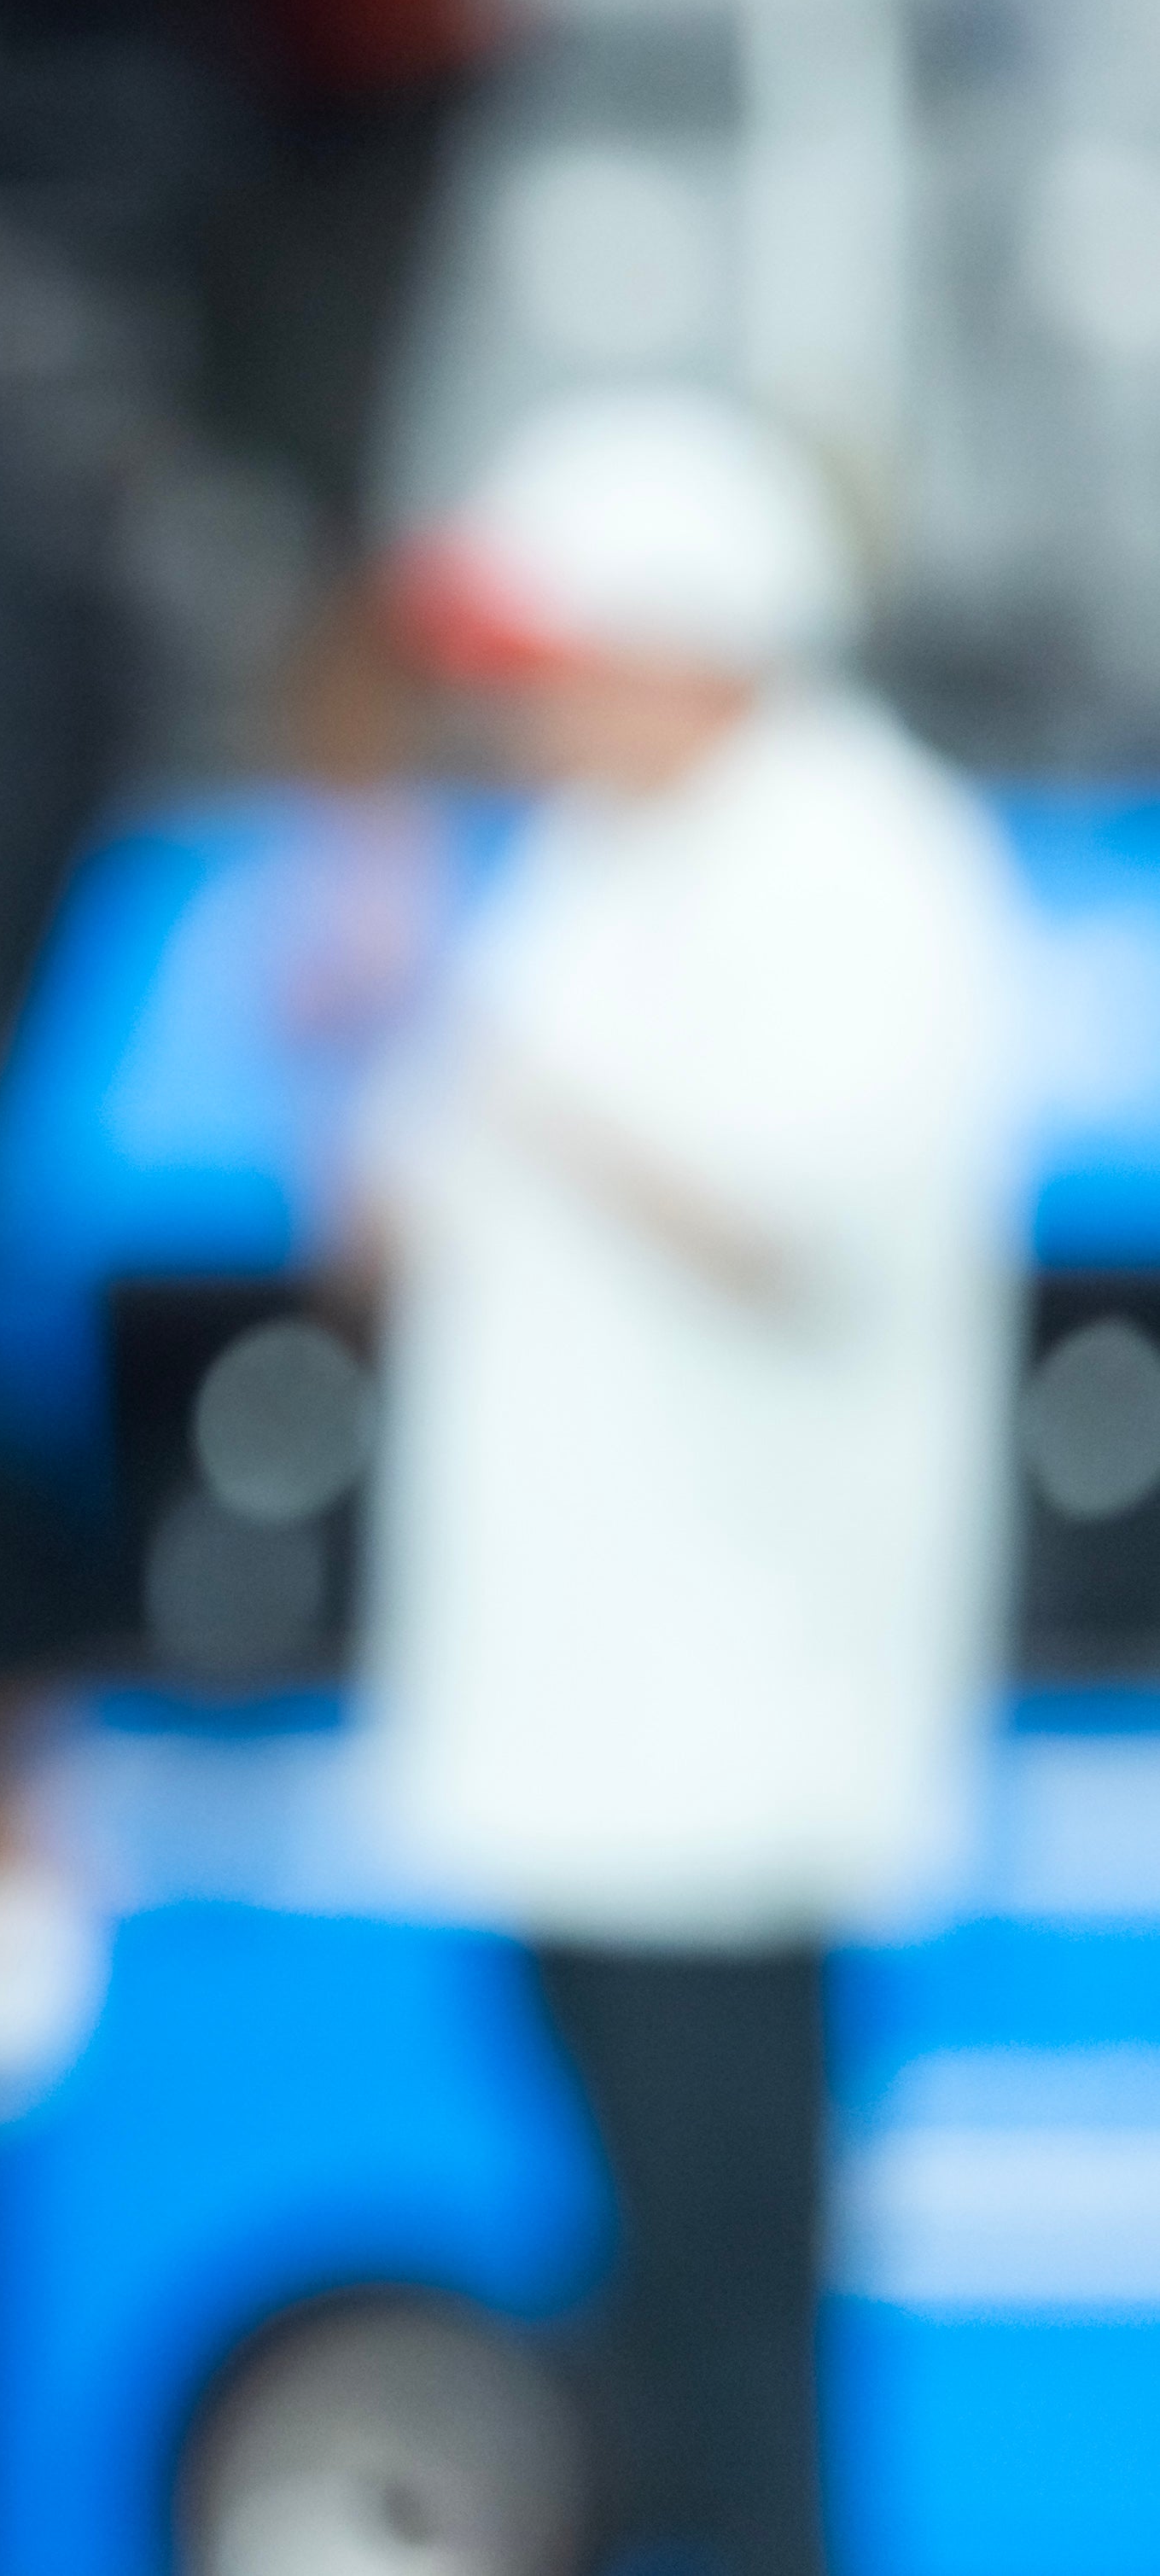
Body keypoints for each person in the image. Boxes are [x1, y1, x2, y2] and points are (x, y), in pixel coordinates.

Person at [364, 386, 1021, 2576]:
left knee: (733, 2310)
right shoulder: (586, 863)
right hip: (557, 1727)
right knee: (636, 2299)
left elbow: (787, 1195)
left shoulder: (865, 855)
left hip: (733, 1748)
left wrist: (500, 1064)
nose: (521, 711)